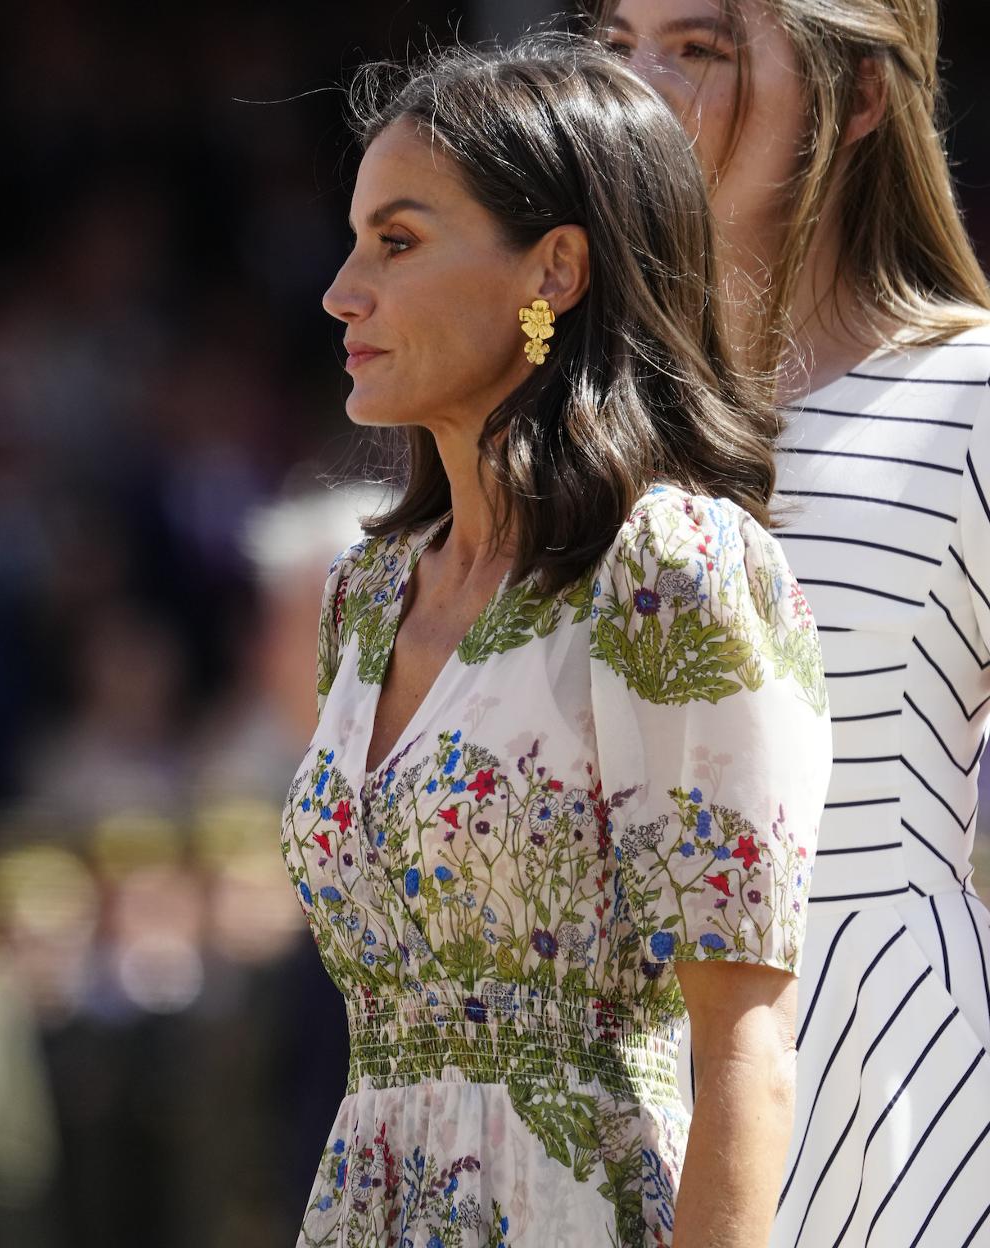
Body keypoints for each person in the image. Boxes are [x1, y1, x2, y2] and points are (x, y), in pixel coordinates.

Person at [281, 33, 831, 1248]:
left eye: (399, 241)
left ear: (555, 271)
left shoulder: (671, 571)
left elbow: (744, 1042)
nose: (341, 290)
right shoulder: (364, 601)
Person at [599, 2, 990, 1244]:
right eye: (618, 44)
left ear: (859, 100)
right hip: (596, 1083)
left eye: (699, 49)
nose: (641, 89)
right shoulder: (571, 419)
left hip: (896, 1088)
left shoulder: (974, 396)